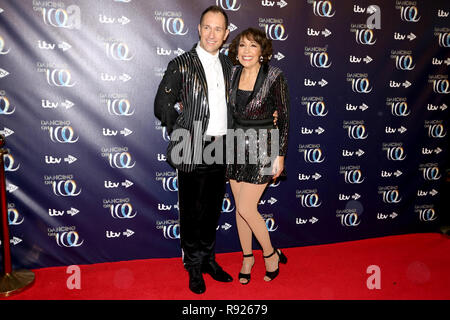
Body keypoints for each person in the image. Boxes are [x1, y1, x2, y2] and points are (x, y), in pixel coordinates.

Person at [154, 6, 233, 294]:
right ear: (199, 29)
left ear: (226, 34)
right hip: (192, 146)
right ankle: (194, 266)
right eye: (207, 27)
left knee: (212, 209)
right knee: (191, 210)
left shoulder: (229, 66)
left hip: (222, 145)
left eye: (218, 29)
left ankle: (210, 259)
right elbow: (161, 105)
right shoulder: (181, 64)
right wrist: (184, 130)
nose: (212, 34)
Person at [226, 28, 289, 284]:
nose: (247, 51)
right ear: (236, 51)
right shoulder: (231, 73)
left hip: (264, 145)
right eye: (242, 46)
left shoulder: (274, 76)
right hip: (235, 145)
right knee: (240, 211)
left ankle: (270, 254)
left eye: (253, 46)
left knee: (245, 207)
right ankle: (247, 257)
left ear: (262, 51)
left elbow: (283, 117)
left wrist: (280, 155)